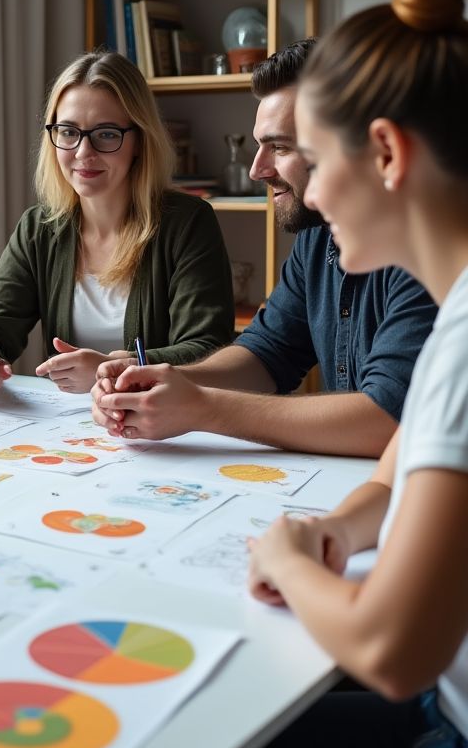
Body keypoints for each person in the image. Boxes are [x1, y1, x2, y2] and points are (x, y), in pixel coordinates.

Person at [190, 0, 468, 748]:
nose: (305, 196)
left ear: (384, 153)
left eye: (310, 157)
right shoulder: (456, 301)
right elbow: (405, 457)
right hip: (441, 716)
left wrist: (287, 559)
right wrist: (342, 526)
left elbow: (389, 647)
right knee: (193, 732)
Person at [91, 39, 437, 457]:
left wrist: (202, 407)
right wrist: (168, 381)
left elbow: (388, 421)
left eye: (282, 147)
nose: (257, 169)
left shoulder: (429, 251)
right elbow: (267, 353)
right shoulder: (318, 234)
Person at [0, 50, 235, 400]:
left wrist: (110, 368)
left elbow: (208, 349)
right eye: (68, 132)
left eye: (106, 134)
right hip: (69, 431)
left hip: (163, 427)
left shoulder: (187, 223)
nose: (84, 152)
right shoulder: (39, 228)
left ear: (139, 142)